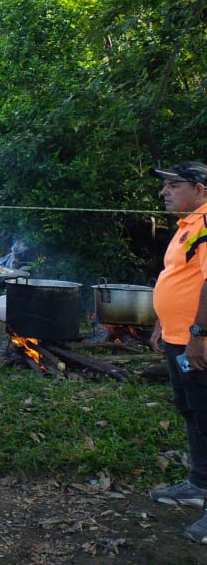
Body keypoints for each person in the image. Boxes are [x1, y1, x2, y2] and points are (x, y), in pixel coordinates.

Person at [147, 162, 207, 543]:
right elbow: (180, 277)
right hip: (177, 338)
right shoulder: (187, 224)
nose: (164, 192)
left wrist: (200, 333)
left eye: (174, 185)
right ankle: (199, 484)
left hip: (198, 342)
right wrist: (160, 320)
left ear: (200, 189)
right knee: (192, 412)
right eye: (165, 186)